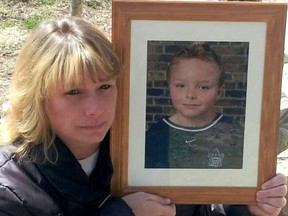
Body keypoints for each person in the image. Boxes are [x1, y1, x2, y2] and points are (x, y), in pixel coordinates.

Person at [0, 17, 286, 216]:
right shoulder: (12, 186)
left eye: (104, 87)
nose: (95, 109)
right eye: (73, 92)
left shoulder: (149, 153)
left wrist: (246, 209)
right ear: (36, 97)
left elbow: (198, 211)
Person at [145, 43, 244, 169]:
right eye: (181, 86)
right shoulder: (155, 135)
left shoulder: (235, 131)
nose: (190, 95)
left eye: (203, 87)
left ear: (218, 92)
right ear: (169, 86)